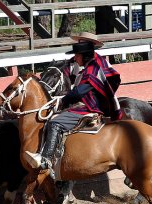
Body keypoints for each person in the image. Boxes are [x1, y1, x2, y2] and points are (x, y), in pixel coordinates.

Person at [24, 40, 122, 171]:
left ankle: (46, 159)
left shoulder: (92, 70)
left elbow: (78, 92)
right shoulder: (88, 67)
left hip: (87, 107)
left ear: (85, 55)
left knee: (55, 123)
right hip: (82, 104)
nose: (75, 58)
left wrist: (62, 100)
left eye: (77, 55)